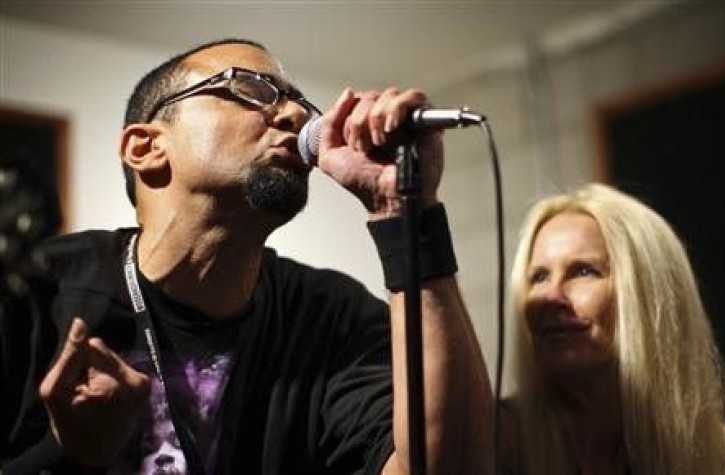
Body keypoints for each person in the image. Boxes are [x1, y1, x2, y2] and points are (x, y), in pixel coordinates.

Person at [0, 38, 492, 474]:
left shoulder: (333, 318)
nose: (296, 115)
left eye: (301, 102)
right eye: (252, 88)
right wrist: (68, 453)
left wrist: (404, 209)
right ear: (146, 147)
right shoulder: (31, 290)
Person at [500, 183, 725, 475]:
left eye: (584, 271)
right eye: (539, 276)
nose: (551, 296)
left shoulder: (716, 455)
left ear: (649, 293)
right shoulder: (498, 444)